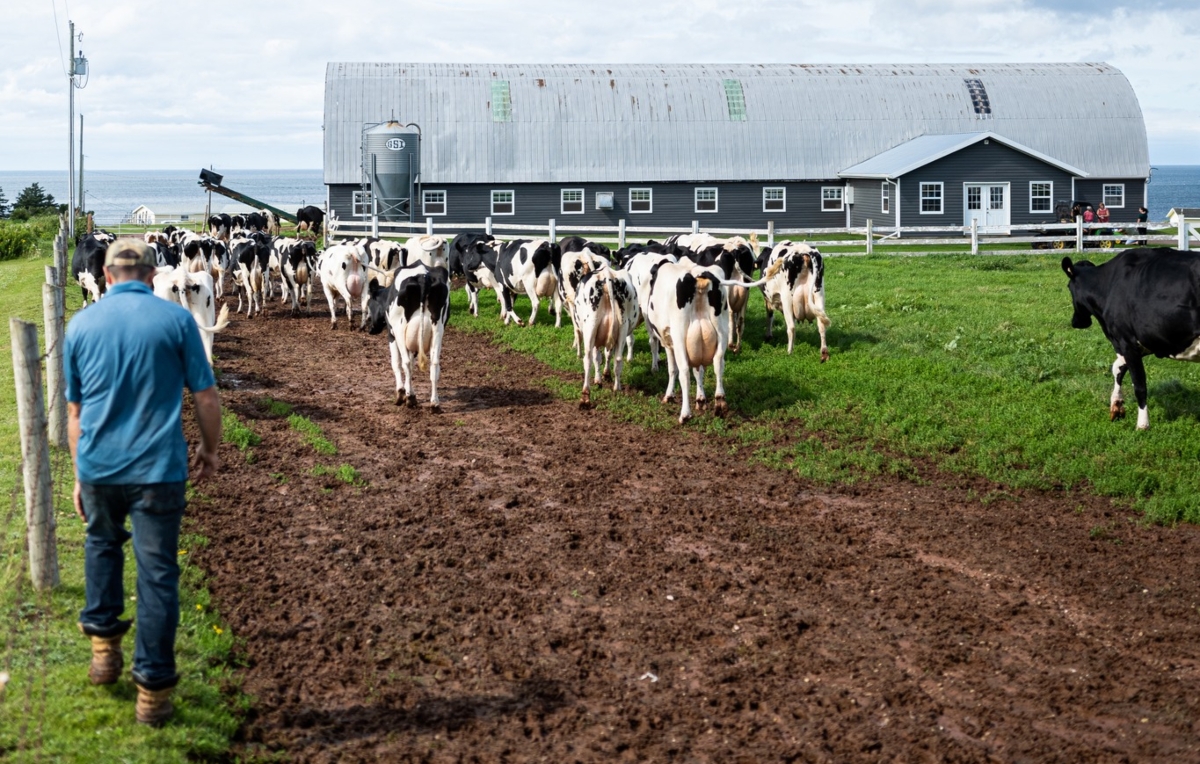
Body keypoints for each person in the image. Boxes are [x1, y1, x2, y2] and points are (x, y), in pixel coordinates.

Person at [65, 239, 222, 726]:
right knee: (157, 574)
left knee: (102, 547)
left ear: (106, 276)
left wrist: (79, 472)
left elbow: (74, 413)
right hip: (159, 470)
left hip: (100, 466)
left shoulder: (81, 323)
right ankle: (152, 691)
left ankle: (103, 648)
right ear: (154, 276)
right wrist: (209, 449)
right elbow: (207, 396)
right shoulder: (175, 321)